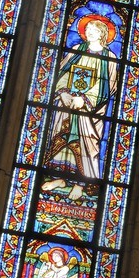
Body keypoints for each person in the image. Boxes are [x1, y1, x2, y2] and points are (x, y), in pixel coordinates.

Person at [43, 14, 119, 187]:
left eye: (94, 30)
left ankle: (80, 183)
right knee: (61, 137)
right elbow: (62, 73)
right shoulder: (77, 49)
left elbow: (108, 85)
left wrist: (84, 99)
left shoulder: (110, 58)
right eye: (88, 29)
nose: (89, 32)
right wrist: (63, 92)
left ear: (102, 34)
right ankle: (59, 178)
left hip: (89, 110)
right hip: (67, 104)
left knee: (86, 142)